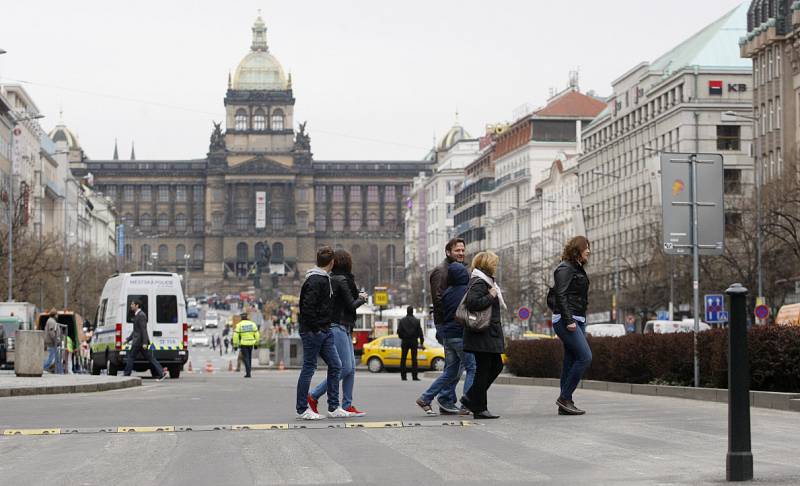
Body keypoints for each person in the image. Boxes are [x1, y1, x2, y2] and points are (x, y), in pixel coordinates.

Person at [308, 249, 369, 417]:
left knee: (351, 368)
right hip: (338, 326)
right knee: (345, 367)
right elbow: (350, 305)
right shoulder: (341, 279)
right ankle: (313, 395)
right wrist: (362, 298)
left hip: (343, 326)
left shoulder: (335, 279)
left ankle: (347, 404)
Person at [416, 262, 476, 415]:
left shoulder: (447, 292)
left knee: (450, 372)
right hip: (460, 335)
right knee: (472, 368)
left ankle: (425, 398)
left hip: (448, 336)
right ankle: (466, 404)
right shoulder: (466, 291)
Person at [295, 246, 347, 420]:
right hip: (314, 331)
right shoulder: (317, 280)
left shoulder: (322, 279)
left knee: (336, 365)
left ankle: (333, 407)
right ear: (331, 263)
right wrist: (317, 328)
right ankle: (302, 408)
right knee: (309, 368)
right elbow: (307, 308)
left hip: (323, 330)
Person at [461, 251, 506, 419]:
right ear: (487, 264)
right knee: (485, 369)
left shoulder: (484, 280)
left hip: (485, 333)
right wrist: (491, 295)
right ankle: (478, 406)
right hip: (482, 333)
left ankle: (473, 399)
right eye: (494, 263)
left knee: (494, 366)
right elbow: (472, 303)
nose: (496, 266)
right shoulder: (480, 282)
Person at [552, 236, 592, 416]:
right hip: (566, 320)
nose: (589, 251)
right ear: (577, 249)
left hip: (578, 318)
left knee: (570, 360)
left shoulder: (577, 268)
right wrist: (569, 320)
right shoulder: (565, 268)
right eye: (586, 247)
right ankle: (565, 397)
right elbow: (560, 295)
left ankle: (565, 403)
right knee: (585, 357)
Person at [430, 238, 466, 341]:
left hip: (455, 323)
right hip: (447, 323)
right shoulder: (440, 271)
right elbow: (438, 299)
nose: (461, 253)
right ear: (448, 252)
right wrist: (453, 318)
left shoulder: (460, 269)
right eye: (457, 250)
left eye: (463, 250)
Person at [123, 300, 167, 381]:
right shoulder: (137, 315)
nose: (131, 305)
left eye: (132, 304)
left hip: (139, 342)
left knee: (131, 357)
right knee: (150, 358)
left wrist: (144, 343)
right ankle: (162, 372)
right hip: (138, 341)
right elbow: (136, 330)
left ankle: (126, 375)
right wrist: (128, 339)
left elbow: (143, 330)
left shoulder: (141, 315)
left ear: (137, 305)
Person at [397, 306, 424, 381]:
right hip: (414, 341)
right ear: (412, 311)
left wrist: (402, 337)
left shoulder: (402, 321)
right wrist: (421, 342)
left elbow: (399, 331)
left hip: (405, 341)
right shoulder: (416, 321)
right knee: (414, 359)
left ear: (407, 311)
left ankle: (403, 376)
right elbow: (420, 332)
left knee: (403, 359)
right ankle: (414, 376)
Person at [233, 312, 260, 378]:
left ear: (241, 318)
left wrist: (235, 345)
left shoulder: (239, 325)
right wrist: (256, 344)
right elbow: (257, 334)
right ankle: (249, 372)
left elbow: (235, 336)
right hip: (251, 343)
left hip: (244, 344)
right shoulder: (252, 324)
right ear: (247, 317)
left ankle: (248, 372)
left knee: (245, 358)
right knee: (249, 357)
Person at [42, 309, 63, 374]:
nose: (57, 316)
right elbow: (52, 332)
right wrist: (56, 340)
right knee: (51, 359)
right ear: (55, 315)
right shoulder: (51, 322)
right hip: (52, 343)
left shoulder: (51, 321)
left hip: (53, 343)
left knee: (57, 359)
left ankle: (60, 372)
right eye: (57, 314)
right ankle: (42, 368)